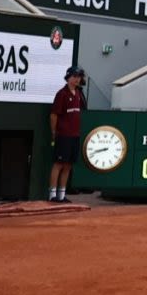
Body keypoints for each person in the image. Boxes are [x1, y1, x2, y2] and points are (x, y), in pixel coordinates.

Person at [48, 69, 86, 203]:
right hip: (63, 135)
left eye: (79, 77)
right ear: (68, 78)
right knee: (58, 164)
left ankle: (61, 195)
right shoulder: (61, 94)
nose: (77, 79)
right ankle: (52, 195)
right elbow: (54, 114)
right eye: (75, 76)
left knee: (68, 165)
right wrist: (54, 132)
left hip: (75, 135)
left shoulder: (79, 94)